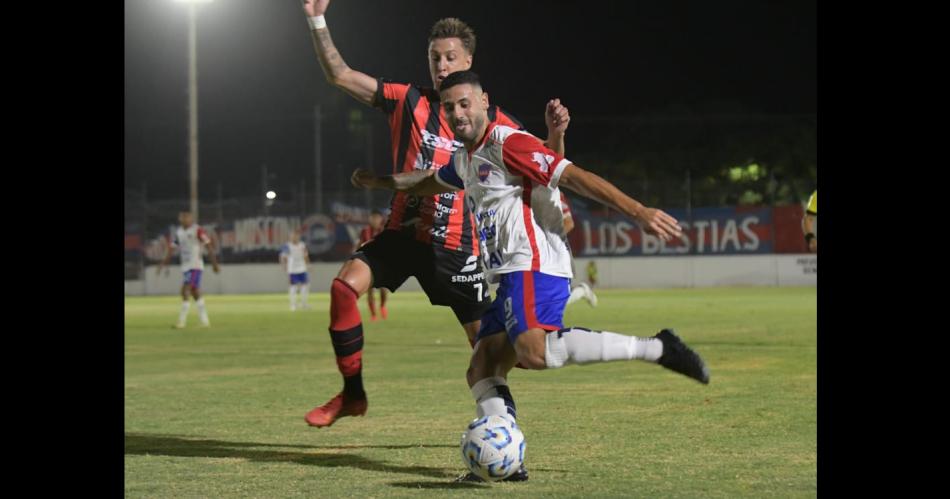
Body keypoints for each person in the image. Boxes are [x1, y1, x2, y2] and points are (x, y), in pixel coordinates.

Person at [352, 71, 710, 482]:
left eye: (465, 103)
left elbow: (573, 176)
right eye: (449, 107)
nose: (457, 113)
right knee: (482, 367)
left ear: (485, 101)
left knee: (533, 352)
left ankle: (657, 348)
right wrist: (380, 182)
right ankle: (506, 454)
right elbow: (430, 182)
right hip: (505, 272)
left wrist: (638, 212)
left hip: (531, 263)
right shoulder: (466, 159)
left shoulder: (508, 143)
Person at [300, 0, 571, 435]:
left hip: (457, 251)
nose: (441, 66)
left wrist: (555, 134)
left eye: (449, 58)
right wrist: (316, 18)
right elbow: (339, 74)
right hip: (402, 235)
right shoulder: (407, 101)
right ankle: (353, 394)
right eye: (434, 58)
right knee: (343, 287)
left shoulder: (492, 120)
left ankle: (503, 434)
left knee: (495, 356)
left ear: (468, 60)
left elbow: (545, 166)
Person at [157, 211, 220, 328]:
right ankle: (205, 321)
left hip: (195, 266)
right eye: (182, 217)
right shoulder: (179, 232)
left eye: (186, 217)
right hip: (186, 267)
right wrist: (163, 264)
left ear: (191, 219)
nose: (184, 219)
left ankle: (181, 322)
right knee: (195, 293)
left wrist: (214, 264)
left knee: (185, 290)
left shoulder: (198, 230)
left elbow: (208, 245)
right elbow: (172, 248)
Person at [559, 192, 597, 307]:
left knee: (552, 303)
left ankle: (580, 291)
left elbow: (569, 223)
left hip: (552, 253)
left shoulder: (552, 191)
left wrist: (545, 241)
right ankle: (580, 291)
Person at [358, 211, 388, 321]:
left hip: (382, 263)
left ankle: (382, 306)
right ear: (370, 219)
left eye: (377, 218)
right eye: (373, 218)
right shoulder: (365, 231)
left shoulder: (384, 231)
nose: (375, 220)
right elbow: (360, 244)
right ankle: (373, 314)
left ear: (380, 219)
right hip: (368, 263)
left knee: (383, 289)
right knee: (370, 290)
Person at [280, 230, 311, 311]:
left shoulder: (302, 245)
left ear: (298, 237)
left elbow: (305, 256)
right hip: (292, 269)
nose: (294, 237)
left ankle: (304, 304)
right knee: (293, 287)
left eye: (296, 236)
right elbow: (283, 257)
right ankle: (293, 305)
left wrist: (308, 265)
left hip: (302, 268)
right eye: (293, 236)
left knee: (305, 286)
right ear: (290, 237)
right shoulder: (287, 246)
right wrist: (284, 266)